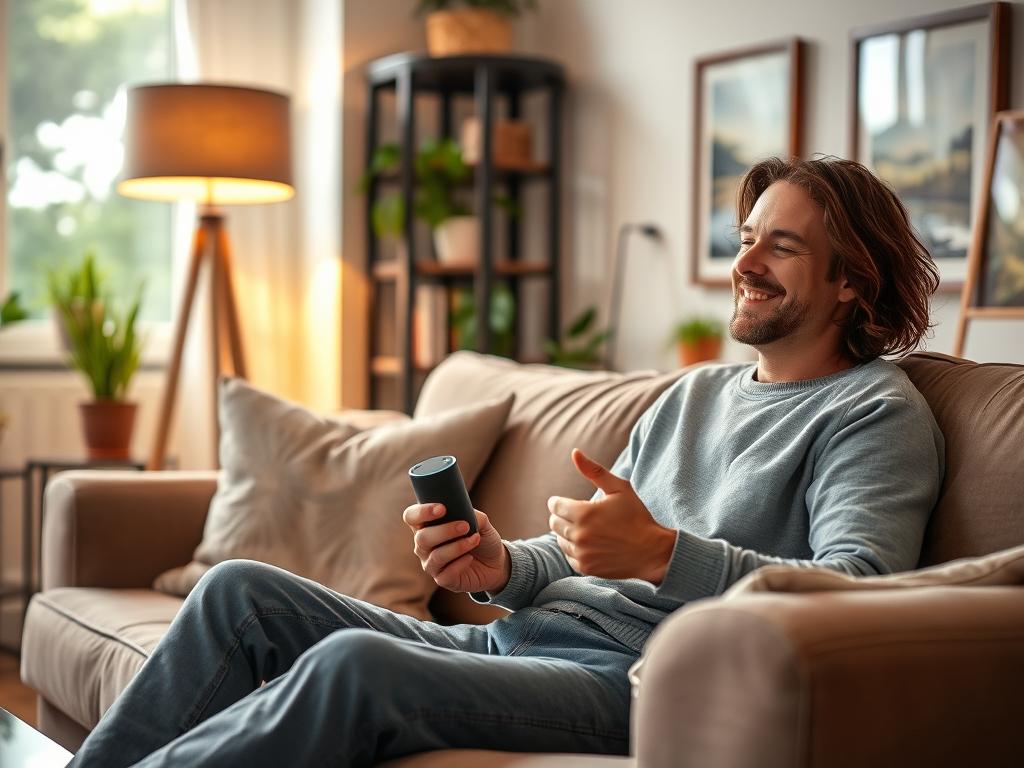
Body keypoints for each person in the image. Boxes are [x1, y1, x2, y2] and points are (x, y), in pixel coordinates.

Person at [70, 156, 944, 767]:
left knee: (355, 668)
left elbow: (857, 593)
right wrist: (500, 566)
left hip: (636, 681)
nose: (745, 261)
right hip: (516, 639)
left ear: (850, 281)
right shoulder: (694, 395)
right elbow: (584, 551)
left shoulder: (874, 412)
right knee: (239, 593)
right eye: (746, 236)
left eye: (781, 246)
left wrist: (664, 556)